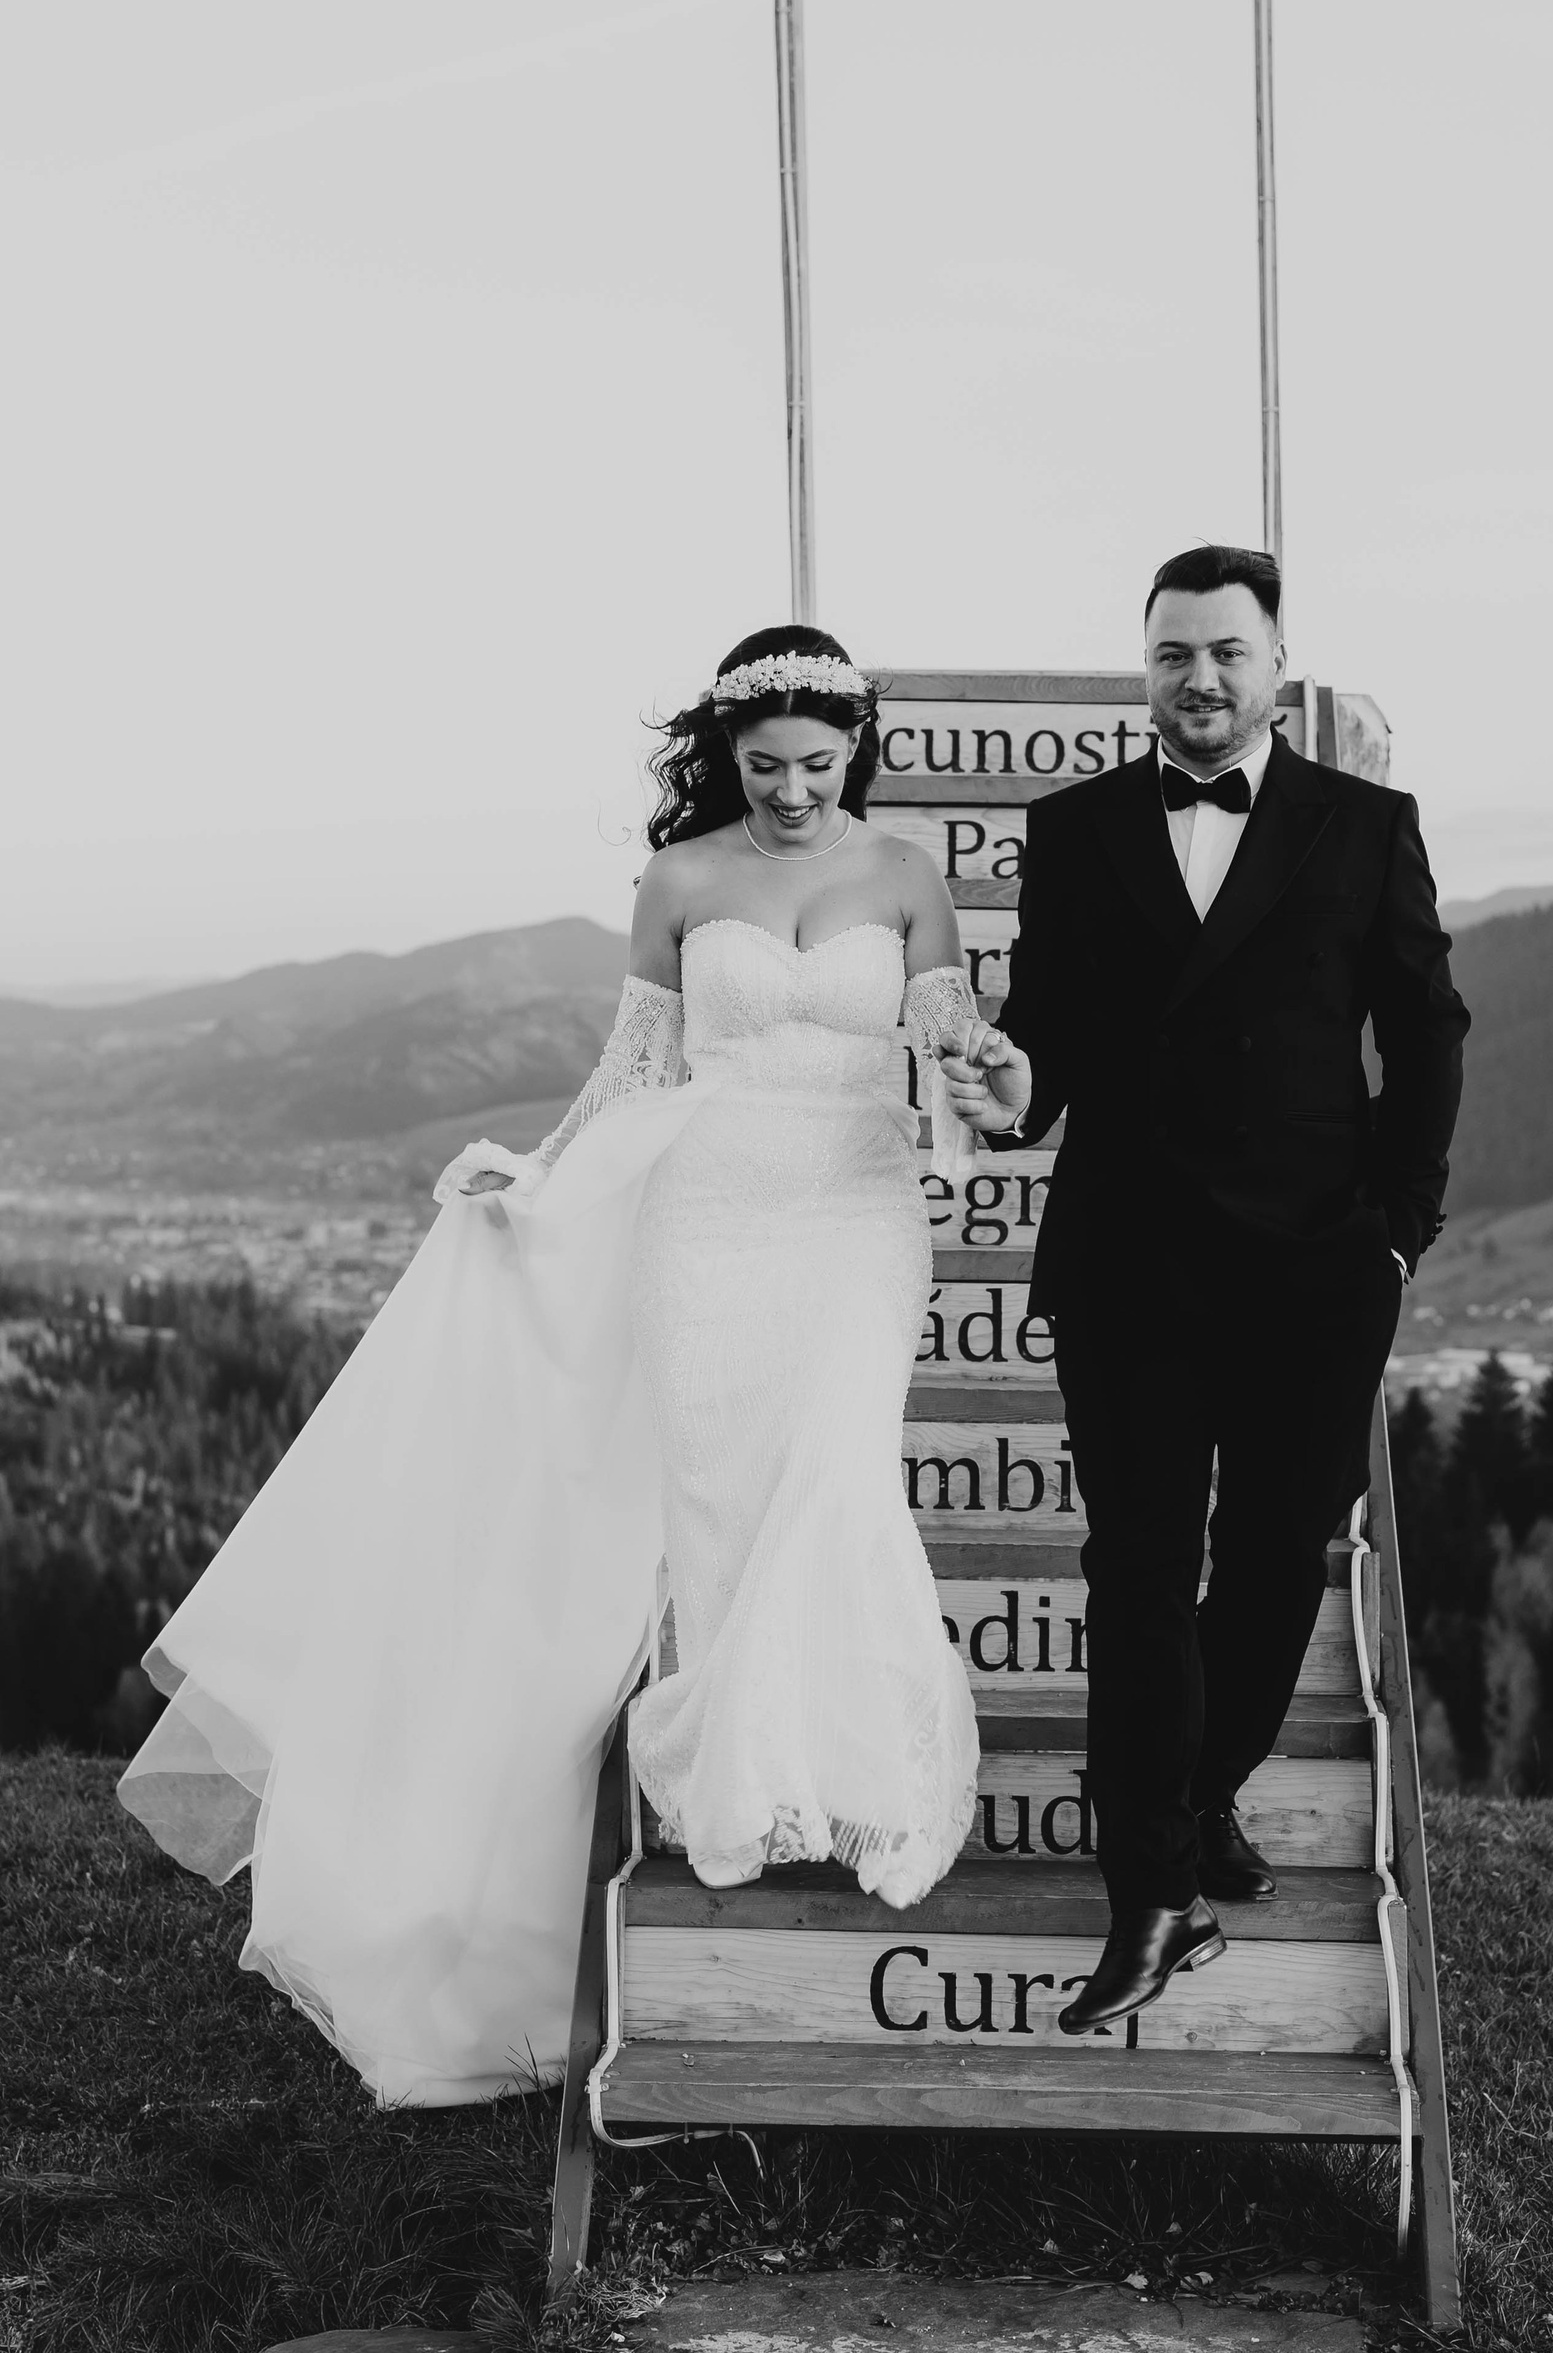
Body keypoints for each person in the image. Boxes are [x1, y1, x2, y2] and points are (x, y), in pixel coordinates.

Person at [119, 628, 988, 2103]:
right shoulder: (681, 879)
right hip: (703, 1215)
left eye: (815, 763)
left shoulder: (907, 874)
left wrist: (976, 1067)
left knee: (837, 1475)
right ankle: (744, 1791)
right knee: (716, 1507)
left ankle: (863, 1786)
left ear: (856, 748)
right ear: (728, 756)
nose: (790, 791)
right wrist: (536, 1178)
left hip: (855, 1211)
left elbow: (948, 1032)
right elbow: (634, 1071)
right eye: (763, 766)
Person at [942, 544, 1469, 2035]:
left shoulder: (1366, 825)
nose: (1201, 678)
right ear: (1146, 668)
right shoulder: (1076, 828)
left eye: (1228, 651)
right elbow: (1049, 1039)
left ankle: (1200, 1788)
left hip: (1315, 1270)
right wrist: (1015, 1088)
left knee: (1272, 1570)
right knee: (1137, 1572)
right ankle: (1152, 1892)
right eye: (1174, 653)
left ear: (1275, 666)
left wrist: (1396, 1231)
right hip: (1130, 1263)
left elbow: (1428, 1031)